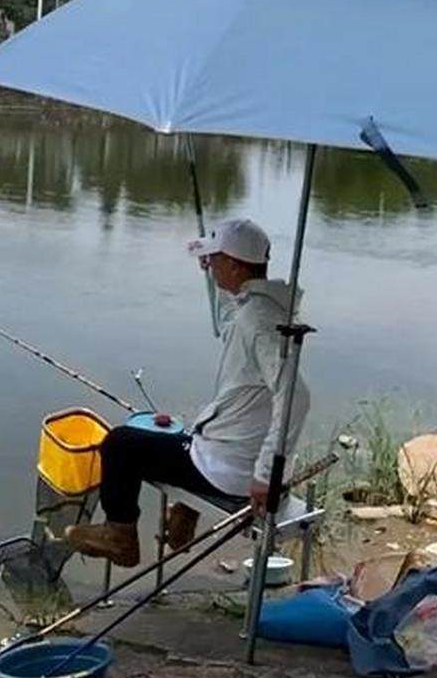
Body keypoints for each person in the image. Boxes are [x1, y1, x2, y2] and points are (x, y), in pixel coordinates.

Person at [61, 217, 311, 568]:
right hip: (234, 453)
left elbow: (296, 397)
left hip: (232, 471)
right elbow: (228, 322)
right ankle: (184, 515)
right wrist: (210, 275)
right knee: (180, 431)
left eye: (216, 260)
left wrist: (266, 474)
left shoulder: (258, 323)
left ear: (235, 265)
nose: (211, 266)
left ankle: (121, 537)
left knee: (120, 444)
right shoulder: (266, 309)